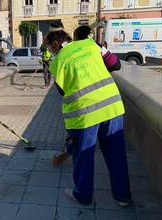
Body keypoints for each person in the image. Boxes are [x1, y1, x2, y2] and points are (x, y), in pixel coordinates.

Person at [46, 29, 132, 206]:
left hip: (83, 115)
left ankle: (83, 196)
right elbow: (116, 64)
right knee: (116, 154)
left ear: (53, 46)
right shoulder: (91, 44)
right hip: (112, 107)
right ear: (68, 39)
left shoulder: (56, 63)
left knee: (84, 156)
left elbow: (62, 91)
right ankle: (122, 197)